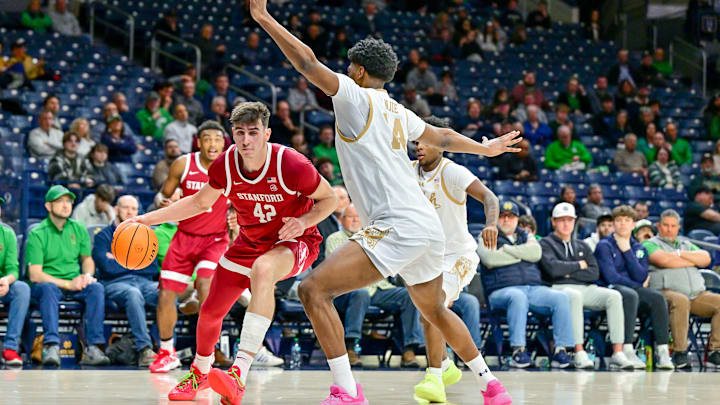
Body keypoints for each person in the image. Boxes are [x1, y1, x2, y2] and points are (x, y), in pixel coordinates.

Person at [249, 3, 521, 403]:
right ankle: (491, 386)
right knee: (435, 310)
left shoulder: (354, 98)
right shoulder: (399, 111)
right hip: (427, 229)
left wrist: (263, 18)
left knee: (312, 291)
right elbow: (443, 138)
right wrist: (488, 150)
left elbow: (307, 63)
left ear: (358, 71)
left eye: (347, 68)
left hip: (398, 224)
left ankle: (346, 391)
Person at [120, 100, 335, 402]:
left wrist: (303, 221)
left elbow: (330, 200)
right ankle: (200, 373)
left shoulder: (291, 163)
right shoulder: (226, 164)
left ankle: (240, 372)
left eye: (253, 132)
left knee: (263, 270)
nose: (246, 140)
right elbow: (197, 203)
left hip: (295, 241)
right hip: (248, 243)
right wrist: (146, 218)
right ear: (232, 134)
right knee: (210, 311)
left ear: (267, 133)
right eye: (239, 133)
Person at [412, 116, 502, 402]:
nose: (418, 146)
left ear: (441, 144)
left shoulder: (453, 172)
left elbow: (490, 198)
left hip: (457, 255)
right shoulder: (408, 170)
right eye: (416, 140)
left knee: (433, 304)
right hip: (425, 256)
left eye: (425, 141)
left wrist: (491, 224)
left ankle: (435, 379)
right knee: (428, 311)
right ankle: (447, 367)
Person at [144, 121, 233, 374]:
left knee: (206, 284)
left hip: (215, 239)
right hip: (184, 236)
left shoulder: (231, 166)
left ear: (223, 142)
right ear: (198, 142)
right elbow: (165, 196)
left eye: (217, 138)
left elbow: (245, 194)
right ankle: (166, 351)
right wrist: (165, 201)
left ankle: (208, 351)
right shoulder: (183, 164)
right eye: (207, 139)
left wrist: (236, 214)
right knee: (165, 294)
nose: (212, 143)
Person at [479, 200, 574, 369]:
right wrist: (523, 253)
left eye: (510, 216)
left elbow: (536, 253)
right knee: (518, 297)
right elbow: (489, 259)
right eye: (502, 216)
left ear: (517, 219)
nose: (506, 220)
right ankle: (518, 351)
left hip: (533, 288)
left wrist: (506, 250)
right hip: (501, 290)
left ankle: (561, 351)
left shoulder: (525, 234)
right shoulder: (487, 234)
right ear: (495, 219)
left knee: (561, 298)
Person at [326, 204, 423, 368]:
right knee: (361, 293)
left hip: (379, 288)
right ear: (341, 220)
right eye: (351, 216)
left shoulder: (374, 238)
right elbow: (338, 270)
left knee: (408, 295)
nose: (356, 220)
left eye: (359, 216)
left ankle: (409, 350)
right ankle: (350, 348)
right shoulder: (335, 239)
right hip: (347, 291)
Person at [539, 203, 633, 369]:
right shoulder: (546, 243)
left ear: (575, 221)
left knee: (614, 296)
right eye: (561, 220)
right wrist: (578, 265)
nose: (566, 224)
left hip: (586, 286)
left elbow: (594, 273)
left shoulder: (582, 245)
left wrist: (567, 270)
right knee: (574, 296)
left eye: (569, 220)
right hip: (558, 288)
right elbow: (552, 270)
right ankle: (579, 351)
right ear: (553, 222)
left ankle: (618, 352)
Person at [26, 185, 110, 367]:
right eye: (60, 201)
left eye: (68, 201)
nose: (66, 205)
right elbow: (35, 274)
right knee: (47, 289)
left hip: (74, 282)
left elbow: (87, 259)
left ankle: (93, 347)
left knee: (96, 288)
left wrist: (87, 275)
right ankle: (52, 345)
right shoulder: (37, 233)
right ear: (48, 206)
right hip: (48, 283)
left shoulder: (79, 228)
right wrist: (67, 284)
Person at [594, 205, 674, 369]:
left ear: (633, 224)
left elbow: (641, 275)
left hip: (631, 288)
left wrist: (627, 251)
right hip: (610, 289)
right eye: (619, 220)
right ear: (614, 224)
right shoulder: (604, 246)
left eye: (627, 220)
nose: (623, 224)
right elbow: (611, 277)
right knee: (631, 295)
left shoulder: (638, 247)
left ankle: (663, 350)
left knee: (657, 298)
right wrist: (637, 284)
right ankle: (627, 349)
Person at [643, 209, 720, 368]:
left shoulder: (685, 243)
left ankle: (714, 351)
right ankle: (680, 353)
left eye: (673, 226)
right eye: (665, 225)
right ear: (658, 226)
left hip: (697, 294)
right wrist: (692, 260)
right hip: (664, 292)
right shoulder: (649, 243)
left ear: (679, 227)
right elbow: (664, 261)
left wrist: (677, 254)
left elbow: (706, 258)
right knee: (681, 300)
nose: (669, 229)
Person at [93, 195, 158, 366]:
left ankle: (161, 346)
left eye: (134, 209)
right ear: (116, 210)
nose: (130, 212)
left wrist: (117, 259)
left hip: (145, 282)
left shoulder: (145, 235)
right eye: (126, 208)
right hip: (115, 283)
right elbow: (106, 267)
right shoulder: (103, 236)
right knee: (133, 293)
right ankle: (145, 349)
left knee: (167, 291)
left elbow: (152, 267)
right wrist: (136, 262)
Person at [0, 197, 30, 367]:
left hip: (2, 286)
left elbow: (13, 269)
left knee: (22, 288)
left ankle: (10, 348)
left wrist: (6, 280)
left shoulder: (7, 233)